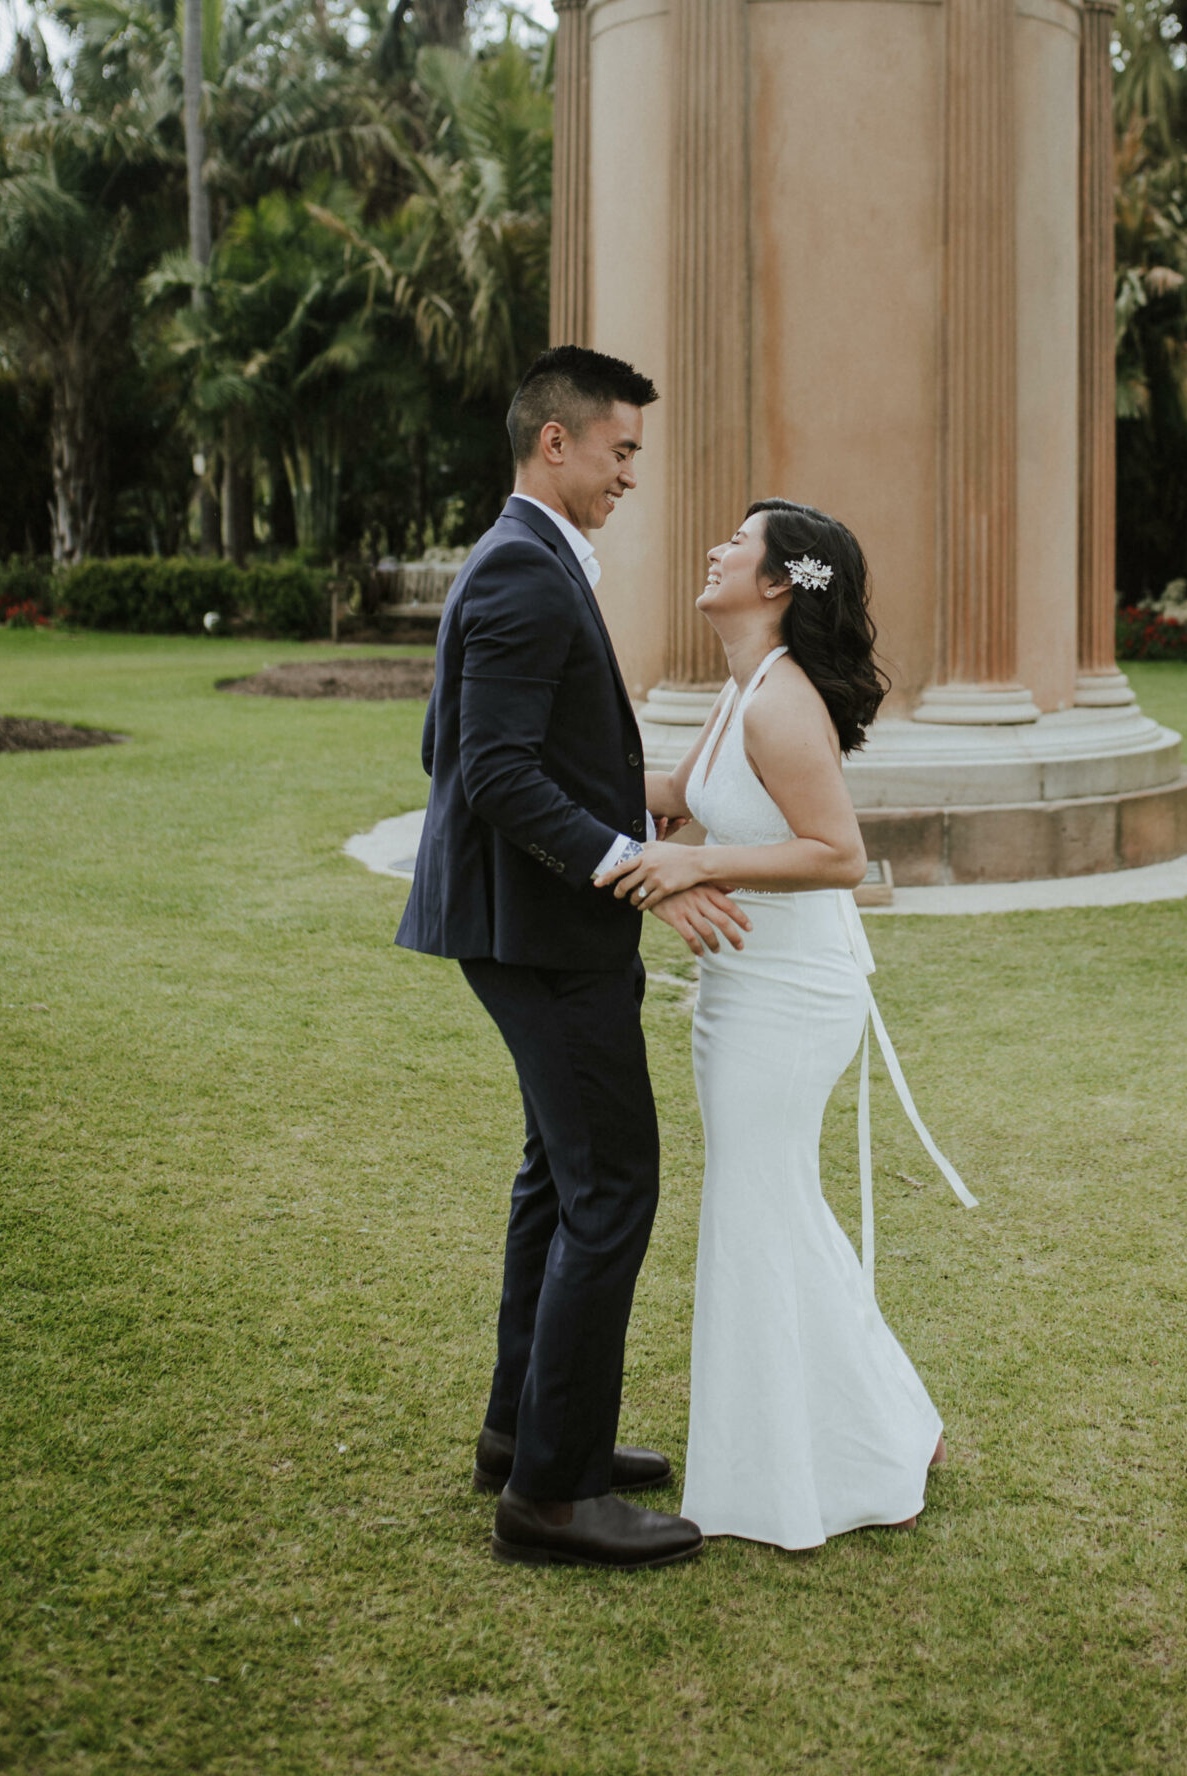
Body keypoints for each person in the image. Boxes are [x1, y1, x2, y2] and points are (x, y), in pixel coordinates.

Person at [395, 344, 745, 1572]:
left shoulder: (525, 561)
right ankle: (551, 1497)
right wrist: (628, 861)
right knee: (613, 1188)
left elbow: (470, 740)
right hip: (538, 937)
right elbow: (484, 770)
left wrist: (630, 788)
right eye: (621, 450)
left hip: (527, 929)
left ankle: (521, 1435)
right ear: (557, 441)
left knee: (559, 1181)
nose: (630, 475)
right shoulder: (525, 573)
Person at [597, 501, 975, 1549]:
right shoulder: (744, 690)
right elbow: (679, 790)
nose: (715, 546)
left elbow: (837, 854)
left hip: (790, 995)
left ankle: (811, 1470)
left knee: (755, 1208)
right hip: (744, 988)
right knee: (773, 1204)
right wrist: (539, 790)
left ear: (774, 584)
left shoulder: (781, 703)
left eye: (738, 539)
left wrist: (694, 859)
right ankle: (891, 1415)